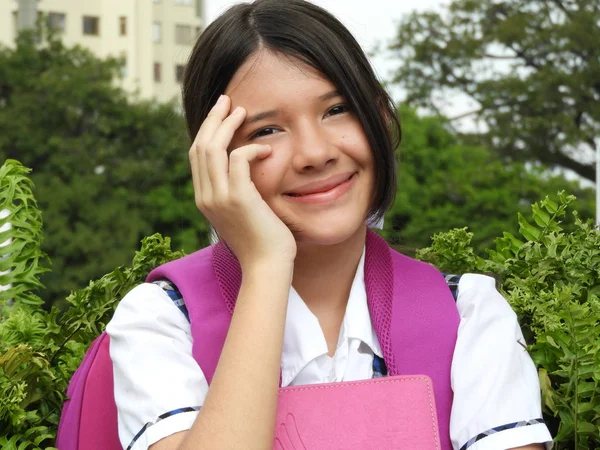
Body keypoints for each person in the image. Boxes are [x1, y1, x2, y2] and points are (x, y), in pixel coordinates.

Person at [105, 1, 553, 449]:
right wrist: (265, 265)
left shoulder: (468, 315)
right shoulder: (162, 322)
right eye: (266, 131)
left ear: (378, 115)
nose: (315, 153)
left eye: (336, 109)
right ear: (215, 158)